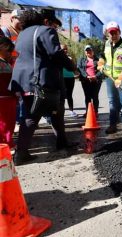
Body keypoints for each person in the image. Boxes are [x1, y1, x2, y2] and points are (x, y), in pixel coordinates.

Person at [9, 9, 75, 165]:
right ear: (44, 21)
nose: (53, 26)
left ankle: (61, 141)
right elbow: (55, 54)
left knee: (56, 110)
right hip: (39, 81)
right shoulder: (46, 31)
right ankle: (21, 154)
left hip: (22, 80)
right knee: (32, 117)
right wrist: (71, 65)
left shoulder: (22, 35)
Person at [100, 21, 122, 134]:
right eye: (111, 33)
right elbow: (102, 56)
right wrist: (101, 63)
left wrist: (121, 76)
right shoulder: (105, 44)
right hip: (109, 78)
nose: (113, 35)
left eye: (115, 32)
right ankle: (112, 125)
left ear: (119, 32)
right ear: (107, 34)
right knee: (112, 102)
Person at [0, 37, 17, 148]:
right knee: (4, 124)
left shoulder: (6, 62)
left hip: (9, 97)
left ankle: (7, 143)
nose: (10, 54)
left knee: (9, 123)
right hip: (3, 98)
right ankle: (5, 145)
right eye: (8, 51)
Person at [77, 44, 102, 116]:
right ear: (85, 52)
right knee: (87, 96)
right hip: (85, 81)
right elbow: (80, 68)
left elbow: (101, 70)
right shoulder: (81, 59)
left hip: (96, 81)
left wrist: (95, 76)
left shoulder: (98, 60)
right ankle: (88, 112)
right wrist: (86, 76)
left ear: (93, 51)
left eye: (90, 50)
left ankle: (96, 112)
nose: (88, 52)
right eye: (87, 51)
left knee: (95, 96)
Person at [61, 44, 77, 117]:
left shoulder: (69, 58)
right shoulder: (58, 58)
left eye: (66, 49)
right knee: (62, 95)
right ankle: (61, 111)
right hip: (62, 78)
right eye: (63, 49)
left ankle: (71, 111)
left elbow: (74, 68)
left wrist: (77, 74)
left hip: (70, 78)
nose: (65, 50)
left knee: (69, 95)